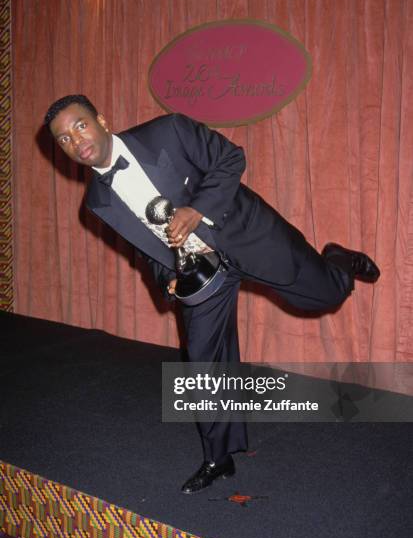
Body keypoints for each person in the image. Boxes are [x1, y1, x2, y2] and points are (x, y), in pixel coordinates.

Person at [44, 94, 380, 494]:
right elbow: (143, 247)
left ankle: (340, 260)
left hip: (247, 234)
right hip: (200, 273)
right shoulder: (96, 201)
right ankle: (218, 457)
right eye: (63, 138)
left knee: (323, 296)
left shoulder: (167, 131)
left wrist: (196, 210)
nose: (75, 139)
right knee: (202, 362)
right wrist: (165, 277)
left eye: (80, 124)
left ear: (100, 119)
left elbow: (230, 158)